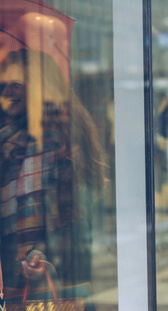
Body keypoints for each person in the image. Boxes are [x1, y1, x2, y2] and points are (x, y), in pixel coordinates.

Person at [0, 49, 104, 290]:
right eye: (3, 84)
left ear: (38, 87)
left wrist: (41, 253)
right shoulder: (8, 140)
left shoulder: (59, 141)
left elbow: (74, 217)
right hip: (9, 274)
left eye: (16, 85)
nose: (6, 92)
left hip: (47, 279)